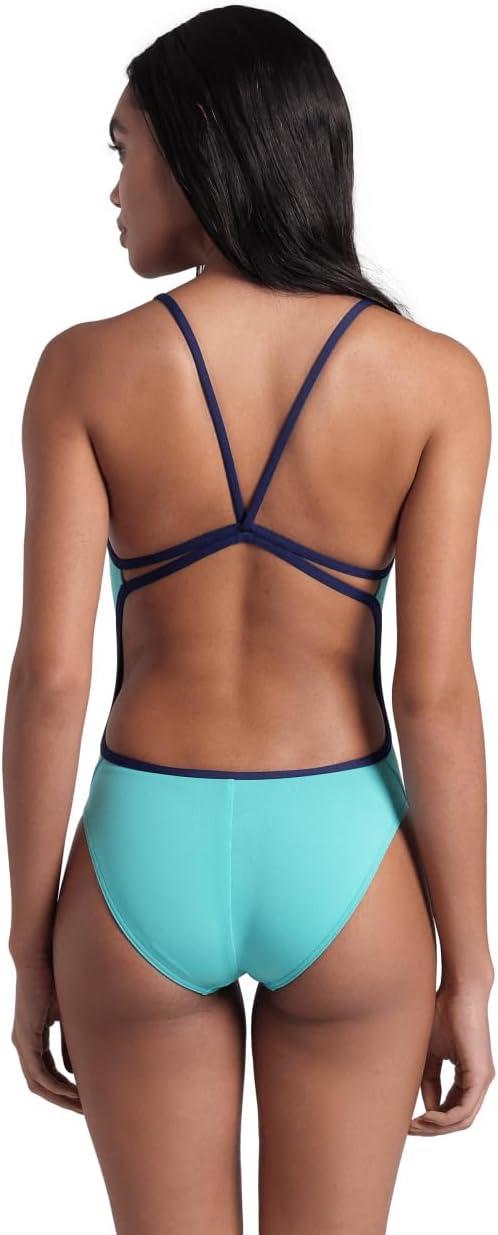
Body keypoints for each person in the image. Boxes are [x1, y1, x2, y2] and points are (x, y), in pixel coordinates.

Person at [3, 7, 495, 1234]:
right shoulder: (436, 379)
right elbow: (434, 691)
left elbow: (52, 677)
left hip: (140, 854)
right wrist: (472, 969)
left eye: (122, 148)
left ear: (197, 142)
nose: (113, 188)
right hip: (349, 859)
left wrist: (29, 945)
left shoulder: (83, 370)